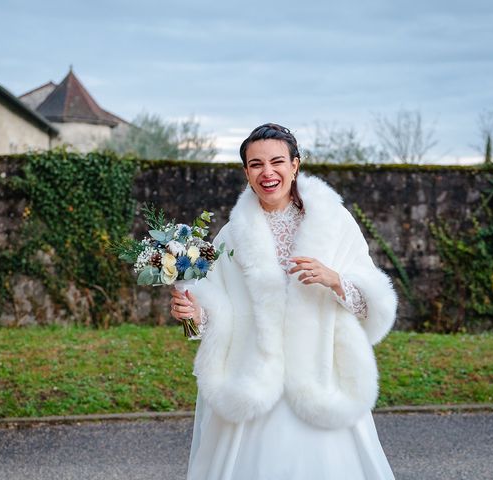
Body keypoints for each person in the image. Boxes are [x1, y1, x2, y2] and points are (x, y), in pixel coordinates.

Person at [170, 123, 397, 480]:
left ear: (295, 165)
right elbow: (220, 306)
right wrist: (195, 311)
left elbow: (373, 302)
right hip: (257, 375)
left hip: (321, 374)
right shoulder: (231, 235)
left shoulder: (334, 222)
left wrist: (335, 279)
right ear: (246, 172)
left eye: (277, 161)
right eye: (256, 164)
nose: (267, 172)